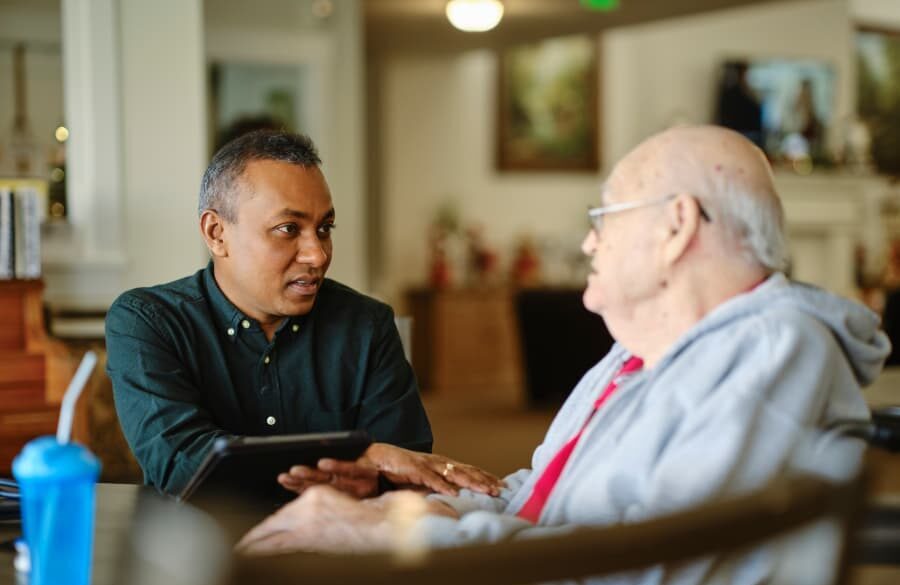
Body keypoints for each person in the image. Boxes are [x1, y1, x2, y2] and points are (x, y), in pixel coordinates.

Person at [236, 125, 889, 582]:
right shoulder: (634, 356)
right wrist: (399, 507)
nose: (586, 243)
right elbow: (539, 495)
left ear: (676, 225)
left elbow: (643, 566)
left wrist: (393, 534)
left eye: (604, 217)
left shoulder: (770, 351)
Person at [106, 130, 501, 497]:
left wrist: (378, 465)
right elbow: (182, 464)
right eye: (288, 228)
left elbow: (408, 470)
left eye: (325, 228)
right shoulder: (147, 322)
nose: (318, 254)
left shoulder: (367, 325)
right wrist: (363, 459)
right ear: (216, 233)